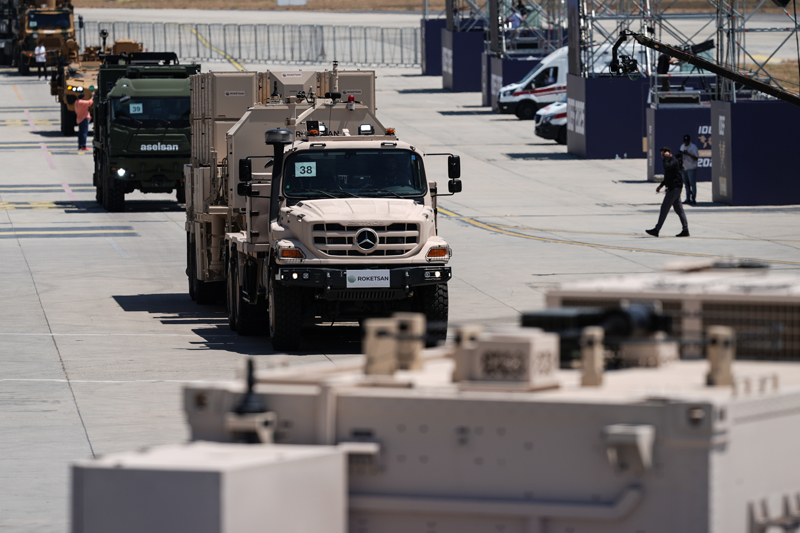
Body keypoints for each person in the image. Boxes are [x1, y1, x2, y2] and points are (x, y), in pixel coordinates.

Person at [646, 147, 690, 238]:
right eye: (662, 155)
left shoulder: (673, 161)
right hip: (674, 188)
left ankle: (657, 230)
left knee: (664, 208)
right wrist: (661, 186)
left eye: (664, 155)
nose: (663, 157)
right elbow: (667, 177)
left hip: (674, 189)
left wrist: (666, 158)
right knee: (679, 210)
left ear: (668, 153)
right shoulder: (670, 162)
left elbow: (666, 166)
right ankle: (685, 230)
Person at [679, 134, 699, 205]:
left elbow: (696, 158)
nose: (686, 143)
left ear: (689, 141)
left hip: (691, 167)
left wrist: (689, 154)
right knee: (686, 184)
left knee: (692, 184)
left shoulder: (693, 147)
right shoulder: (682, 146)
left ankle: (693, 198)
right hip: (684, 167)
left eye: (687, 141)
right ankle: (688, 198)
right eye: (685, 141)